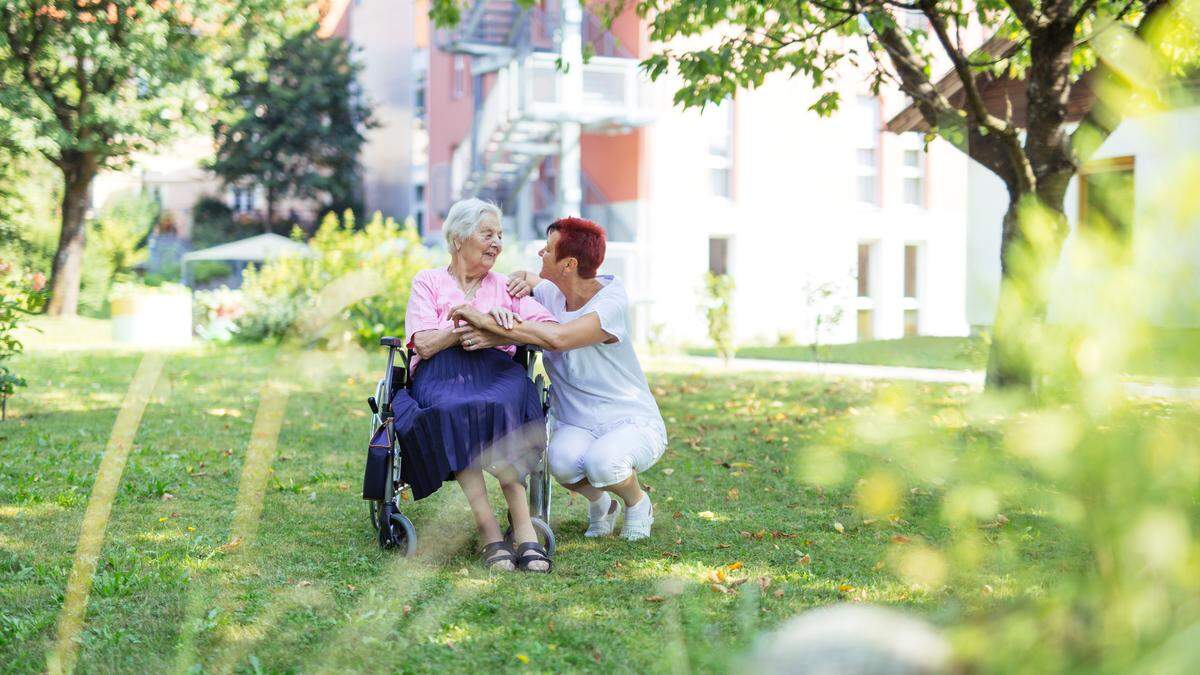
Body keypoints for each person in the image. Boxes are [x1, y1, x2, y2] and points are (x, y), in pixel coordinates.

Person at [451, 217, 667, 541]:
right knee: (562, 464)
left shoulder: (610, 302)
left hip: (629, 419)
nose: (540, 252)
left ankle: (638, 503)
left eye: (548, 249)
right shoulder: (552, 293)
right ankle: (603, 504)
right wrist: (522, 280)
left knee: (604, 465)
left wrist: (487, 325)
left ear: (568, 264)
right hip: (577, 420)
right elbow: (524, 292)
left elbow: (559, 338)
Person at [394, 198, 558, 572]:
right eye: (487, 234)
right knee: (456, 409)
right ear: (457, 239)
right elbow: (424, 344)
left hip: (498, 373)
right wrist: (467, 327)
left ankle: (524, 531)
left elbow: (549, 330)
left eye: (499, 235)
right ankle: (490, 533)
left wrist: (502, 328)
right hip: (441, 374)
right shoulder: (429, 281)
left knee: (500, 406)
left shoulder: (507, 287)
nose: (496, 242)